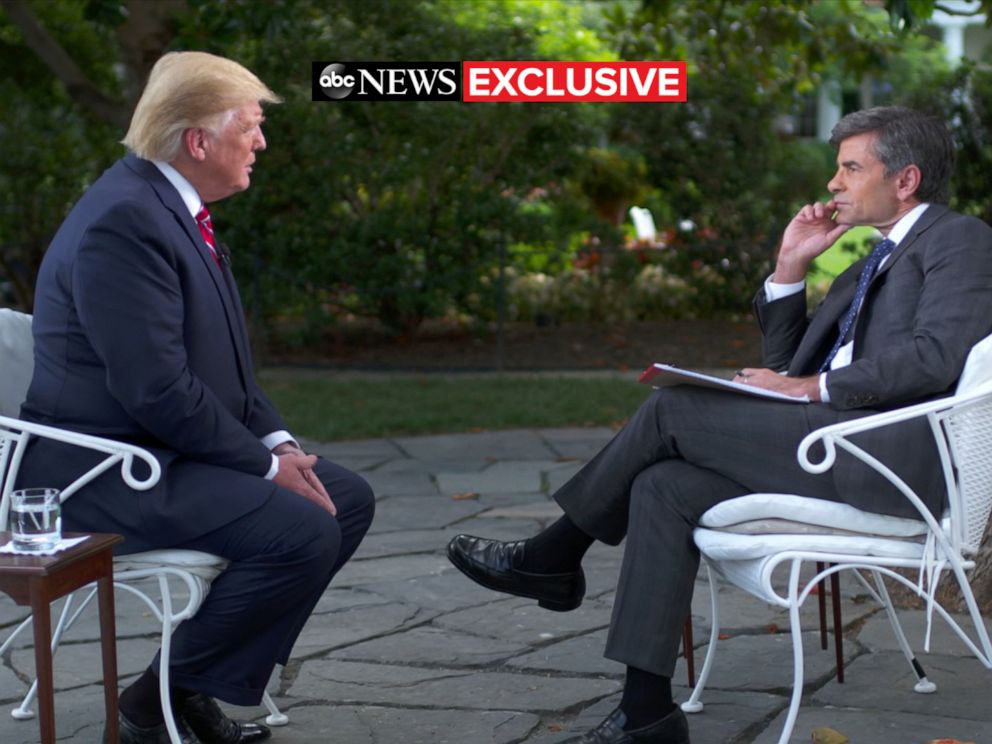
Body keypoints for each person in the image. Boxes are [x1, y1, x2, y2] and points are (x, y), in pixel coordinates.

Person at [447, 106, 992, 744]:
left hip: (885, 463)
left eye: (849, 168)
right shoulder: (870, 260)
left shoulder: (960, 239)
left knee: (672, 409)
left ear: (906, 180)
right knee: (664, 485)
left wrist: (811, 387)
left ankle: (554, 554)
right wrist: (789, 268)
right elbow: (783, 364)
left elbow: (938, 355)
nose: (833, 185)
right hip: (830, 442)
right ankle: (645, 710)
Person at [17, 51, 375, 744]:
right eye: (252, 125)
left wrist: (280, 446)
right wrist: (267, 471)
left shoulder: (170, 209)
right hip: (101, 474)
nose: (262, 142)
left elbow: (225, 373)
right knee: (301, 529)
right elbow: (156, 390)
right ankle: (165, 701)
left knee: (345, 497)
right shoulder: (123, 223)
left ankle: (175, 690)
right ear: (198, 141)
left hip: (161, 452)